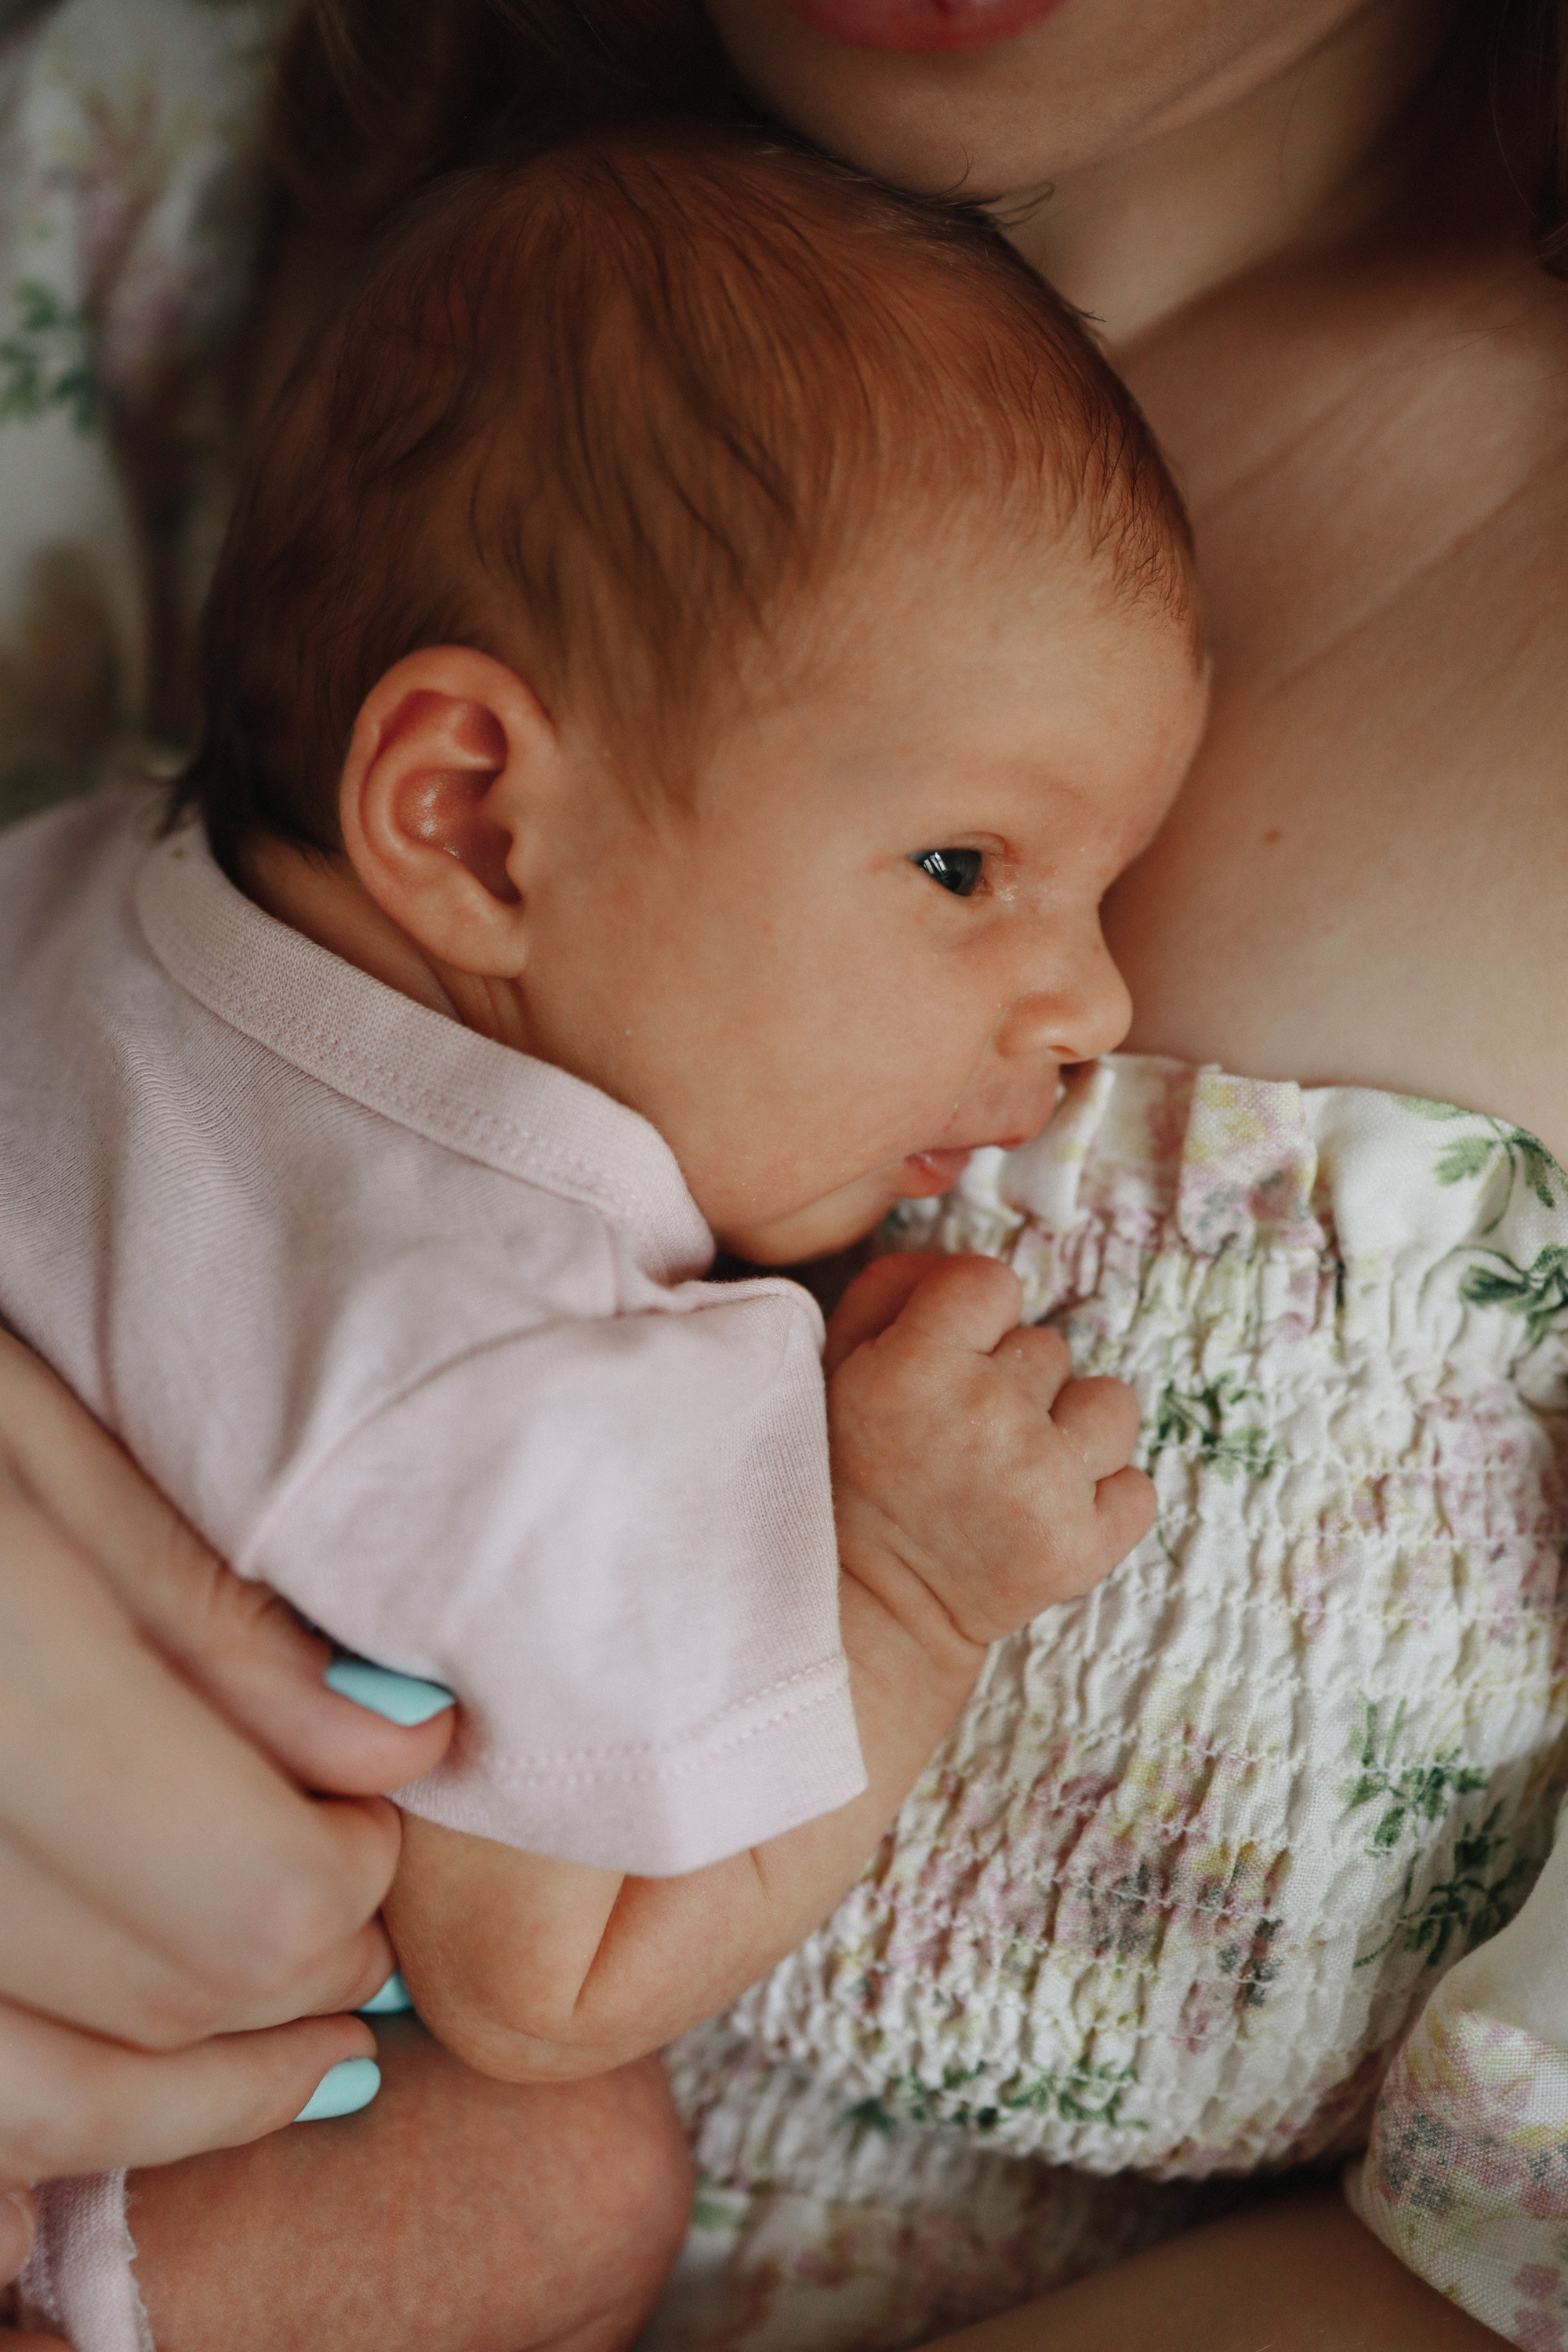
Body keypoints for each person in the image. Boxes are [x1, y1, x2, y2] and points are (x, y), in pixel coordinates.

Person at [4, 2, 1566, 2348]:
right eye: (963, 868)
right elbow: (546, 1989)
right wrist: (913, 1604)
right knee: (557, 2166)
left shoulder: (86, 891)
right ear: (471, 814)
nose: (1089, 1011)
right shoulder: (546, 1372)